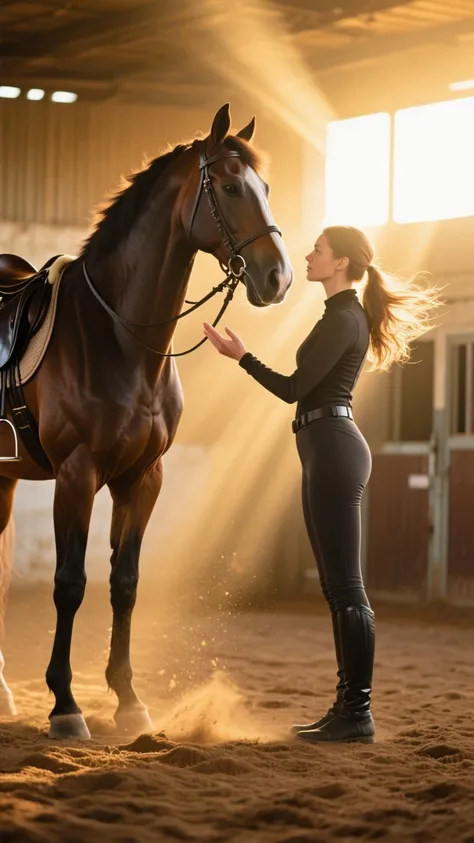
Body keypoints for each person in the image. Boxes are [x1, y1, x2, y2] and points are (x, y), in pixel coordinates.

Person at [203, 225, 441, 744]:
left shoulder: (344, 319)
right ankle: (346, 709)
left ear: (340, 263)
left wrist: (242, 357)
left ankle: (357, 713)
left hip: (333, 448)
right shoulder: (340, 315)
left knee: (347, 587)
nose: (308, 256)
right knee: (337, 588)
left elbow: (294, 389)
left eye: (318, 250)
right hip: (323, 447)